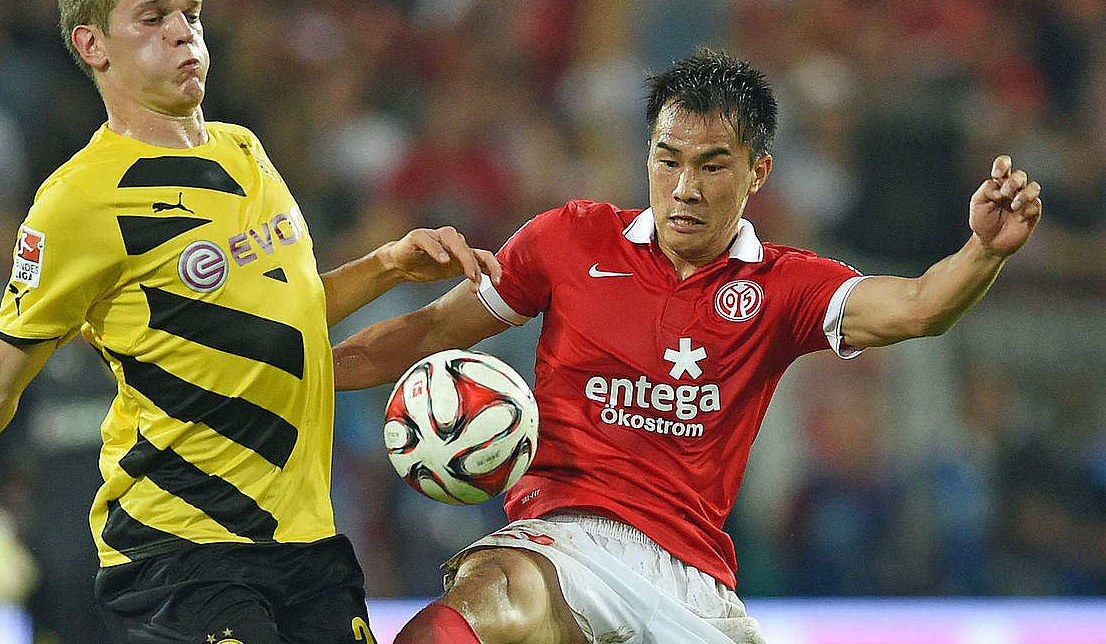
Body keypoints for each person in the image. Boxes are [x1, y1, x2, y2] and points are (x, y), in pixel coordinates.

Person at [0, 0, 500, 644]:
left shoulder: (245, 150)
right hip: (183, 553)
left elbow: (285, 316)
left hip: (306, 545)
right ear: (94, 46)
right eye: (153, 19)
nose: (184, 34)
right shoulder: (80, 201)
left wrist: (389, 266)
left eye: (192, 14)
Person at [333, 49, 1043, 644]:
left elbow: (921, 308)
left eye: (711, 166)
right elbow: (426, 332)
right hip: (563, 541)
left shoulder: (783, 286)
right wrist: (303, 372)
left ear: (756, 173)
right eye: (668, 161)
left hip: (692, 583)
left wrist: (984, 250)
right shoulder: (568, 241)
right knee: (478, 605)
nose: (684, 189)